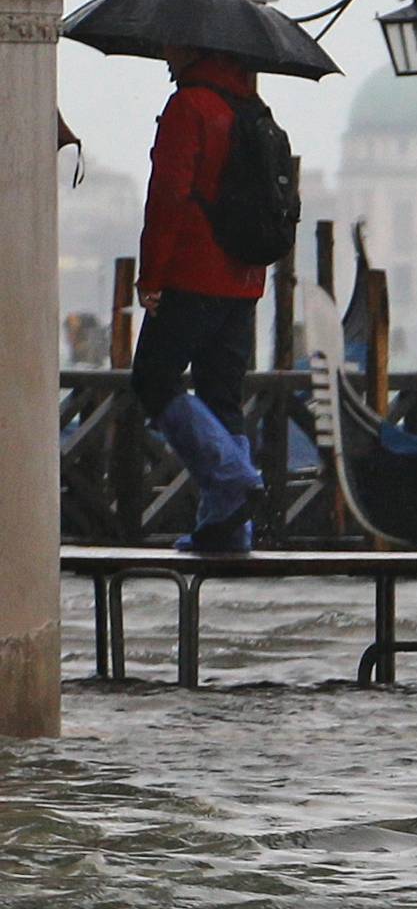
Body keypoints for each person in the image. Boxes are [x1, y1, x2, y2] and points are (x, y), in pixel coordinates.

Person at [133, 48, 269, 554]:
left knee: (152, 377)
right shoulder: (252, 107)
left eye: (173, 47)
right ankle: (229, 530)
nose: (166, 55)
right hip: (245, 279)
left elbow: (168, 196)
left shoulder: (188, 107)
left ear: (195, 50)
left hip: (193, 271)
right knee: (221, 394)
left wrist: (152, 277)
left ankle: (232, 478)